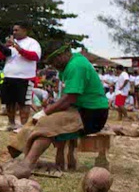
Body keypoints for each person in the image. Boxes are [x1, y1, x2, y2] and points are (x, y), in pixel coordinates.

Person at [9, 42, 108, 170]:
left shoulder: (76, 66)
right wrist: (49, 107)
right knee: (36, 121)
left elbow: (70, 98)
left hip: (93, 114)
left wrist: (46, 112)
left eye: (53, 60)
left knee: (47, 123)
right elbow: (64, 96)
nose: (52, 65)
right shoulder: (65, 67)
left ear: (63, 54)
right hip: (79, 109)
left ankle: (28, 163)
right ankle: (16, 151)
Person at [0, 24, 42, 131]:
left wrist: (19, 49)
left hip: (25, 78)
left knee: (24, 103)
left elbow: (35, 56)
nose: (14, 32)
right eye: (13, 30)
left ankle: (23, 126)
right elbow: (0, 56)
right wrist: (6, 46)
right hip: (9, 77)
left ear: (24, 30)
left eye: (17, 30)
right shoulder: (10, 44)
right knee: (9, 102)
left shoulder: (32, 43)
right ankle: (11, 123)